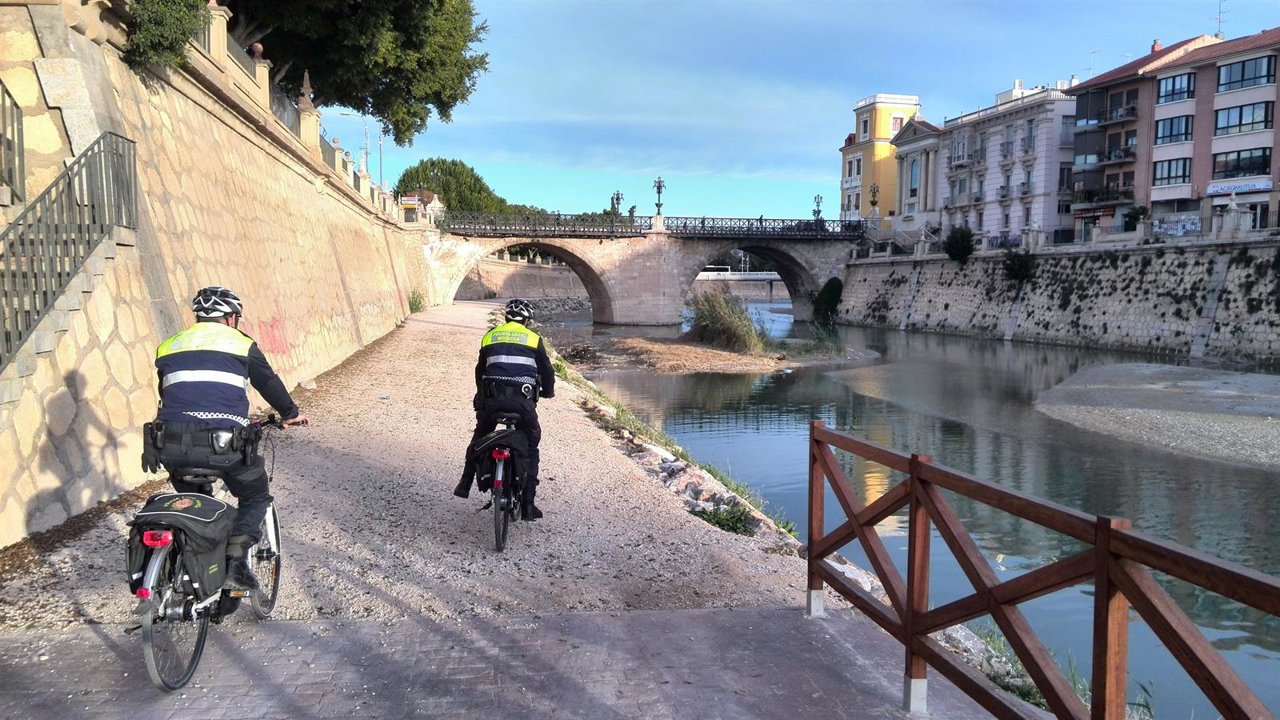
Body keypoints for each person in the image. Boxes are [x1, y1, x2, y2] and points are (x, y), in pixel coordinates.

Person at [141, 286, 309, 591]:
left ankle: (187, 562)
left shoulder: (169, 346)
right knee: (255, 495)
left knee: (196, 499)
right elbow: (268, 383)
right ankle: (235, 561)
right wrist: (289, 413)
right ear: (231, 318)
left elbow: (170, 395)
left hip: (171, 443)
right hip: (222, 445)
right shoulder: (240, 343)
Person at [454, 298, 555, 520]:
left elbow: (480, 370)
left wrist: (480, 396)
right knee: (531, 445)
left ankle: (465, 482)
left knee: (480, 437)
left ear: (506, 318)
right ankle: (528, 505)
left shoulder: (490, 336)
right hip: (523, 402)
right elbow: (547, 371)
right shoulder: (533, 338)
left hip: (492, 400)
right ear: (527, 321)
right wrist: (549, 392)